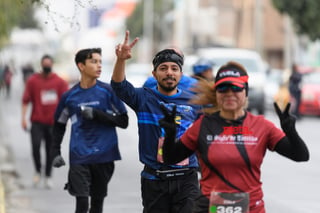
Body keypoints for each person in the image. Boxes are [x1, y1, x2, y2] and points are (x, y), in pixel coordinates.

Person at [159, 61, 309, 213]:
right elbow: (171, 158)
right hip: (209, 207)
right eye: (223, 88)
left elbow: (301, 156)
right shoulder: (203, 125)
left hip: (251, 208)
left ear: (246, 92)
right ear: (217, 93)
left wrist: (290, 131)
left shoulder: (262, 126)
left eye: (236, 88)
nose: (229, 93)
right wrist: (170, 135)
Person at [111, 31, 201, 213]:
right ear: (154, 73)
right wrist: (121, 60)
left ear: (181, 74)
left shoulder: (195, 103)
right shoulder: (143, 98)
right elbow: (119, 87)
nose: (169, 72)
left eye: (174, 69)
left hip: (187, 180)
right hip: (154, 180)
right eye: (163, 68)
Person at [50, 48, 129, 213]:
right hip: (79, 155)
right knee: (82, 203)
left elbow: (124, 121)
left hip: (105, 155)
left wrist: (97, 114)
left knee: (97, 204)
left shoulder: (107, 92)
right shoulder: (69, 97)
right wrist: (55, 152)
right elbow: (59, 125)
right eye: (94, 62)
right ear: (81, 66)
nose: (99, 66)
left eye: (100, 62)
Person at [21, 54, 69, 189]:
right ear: (41, 65)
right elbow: (25, 100)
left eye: (49, 64)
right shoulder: (33, 81)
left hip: (53, 123)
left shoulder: (59, 82)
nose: (47, 66)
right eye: (45, 64)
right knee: (35, 147)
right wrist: (23, 118)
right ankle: (37, 171)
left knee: (50, 151)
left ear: (52, 65)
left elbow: (67, 102)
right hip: (37, 121)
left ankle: (48, 176)